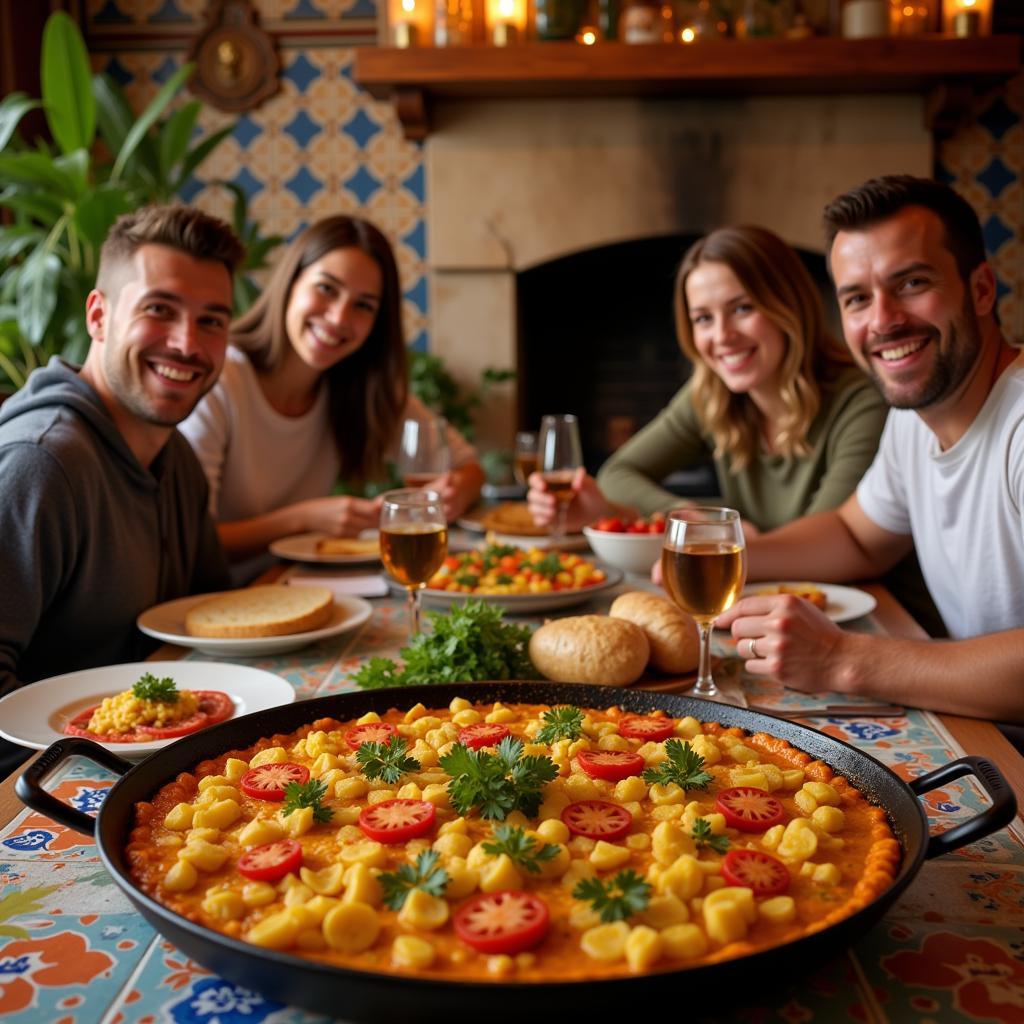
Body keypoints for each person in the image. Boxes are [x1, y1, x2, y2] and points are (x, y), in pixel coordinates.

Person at [718, 175, 1023, 725]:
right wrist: (725, 555)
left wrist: (841, 659)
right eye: (858, 298)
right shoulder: (914, 417)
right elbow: (858, 537)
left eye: (911, 283)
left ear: (981, 289)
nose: (882, 320)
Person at [0, 204, 243, 773]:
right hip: (52, 784)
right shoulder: (39, 464)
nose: (187, 344)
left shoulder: (174, 455)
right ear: (98, 316)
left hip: (164, 756)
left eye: (212, 320)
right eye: (160, 309)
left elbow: (206, 621)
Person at [528, 225, 888, 537]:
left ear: (790, 305)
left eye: (742, 308)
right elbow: (618, 473)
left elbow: (822, 543)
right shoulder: (713, 393)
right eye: (703, 318)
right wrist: (693, 520)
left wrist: (702, 531)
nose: (722, 336)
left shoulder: (862, 403)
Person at [179, 215, 484, 578]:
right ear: (291, 283)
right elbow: (193, 541)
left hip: (294, 584)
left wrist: (455, 493)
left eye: (363, 305)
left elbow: (469, 467)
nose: (339, 317)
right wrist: (305, 518)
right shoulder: (221, 381)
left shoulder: (358, 387)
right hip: (221, 601)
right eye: (327, 288)